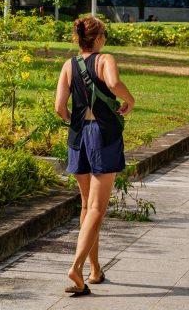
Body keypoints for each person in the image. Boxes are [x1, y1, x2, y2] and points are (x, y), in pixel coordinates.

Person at [54, 15, 135, 297]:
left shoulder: (68, 65)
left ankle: (95, 269)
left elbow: (59, 107)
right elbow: (113, 83)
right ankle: (76, 267)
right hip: (102, 135)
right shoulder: (105, 59)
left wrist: (75, 121)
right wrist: (130, 100)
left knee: (87, 206)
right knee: (98, 209)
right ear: (99, 38)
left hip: (78, 136)